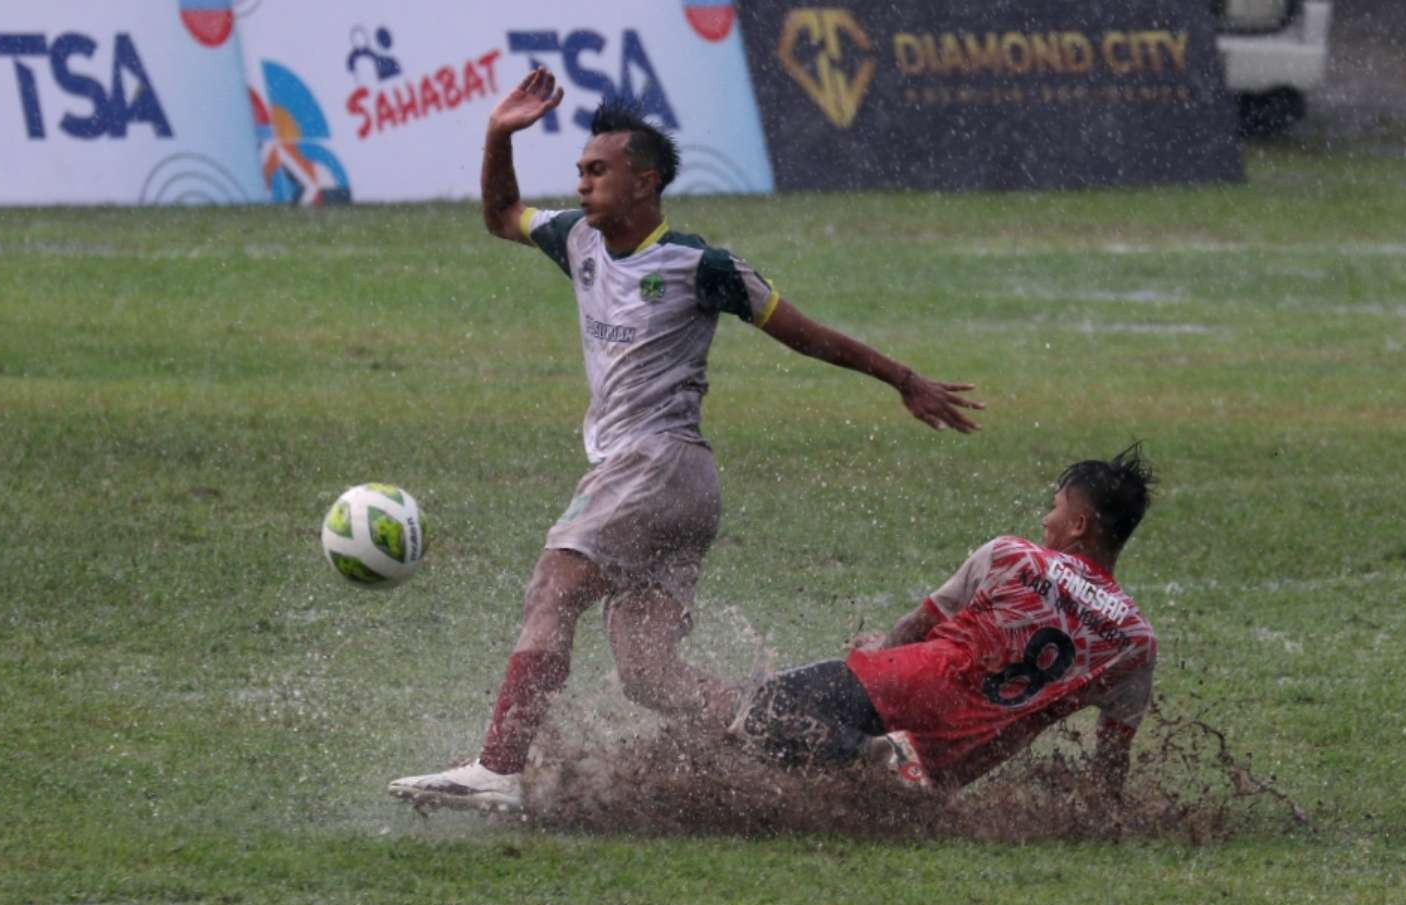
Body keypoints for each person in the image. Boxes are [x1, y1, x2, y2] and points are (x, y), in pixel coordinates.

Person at [388, 67, 984, 813]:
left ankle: (501, 765)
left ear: (644, 182)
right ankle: (858, 752)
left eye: (597, 172)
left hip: (655, 465)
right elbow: (500, 212)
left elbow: (805, 335)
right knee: (648, 674)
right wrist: (497, 135)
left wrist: (902, 377)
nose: (581, 185)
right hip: (678, 489)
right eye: (578, 171)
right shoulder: (577, 240)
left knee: (553, 586)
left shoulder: (701, 266)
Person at [734, 445, 1157, 794]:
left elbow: (914, 627)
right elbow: (1111, 761)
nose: (1047, 519)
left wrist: (878, 657)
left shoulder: (1013, 554)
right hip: (954, 761)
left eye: (1055, 507)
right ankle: (888, 767)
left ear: (1079, 524)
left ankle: (875, 752)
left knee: (765, 707)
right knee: (813, 767)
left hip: (909, 688)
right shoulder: (1135, 641)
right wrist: (1105, 818)